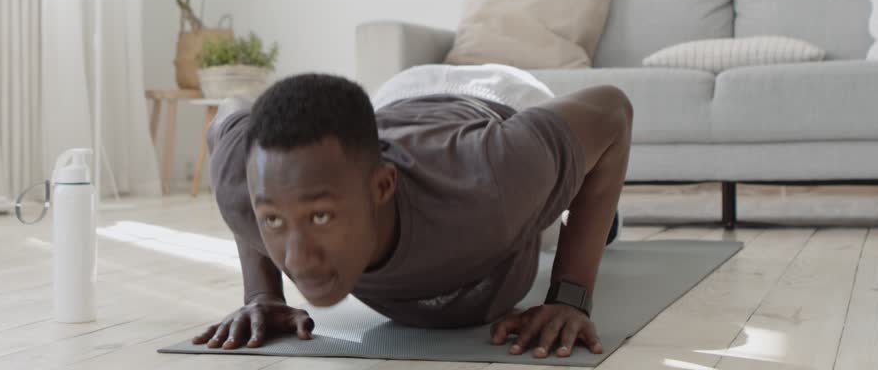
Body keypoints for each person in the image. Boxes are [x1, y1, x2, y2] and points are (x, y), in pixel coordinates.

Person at [192, 63, 632, 360]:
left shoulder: (495, 179)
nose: (297, 259)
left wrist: (571, 295)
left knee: (579, 219)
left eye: (321, 216)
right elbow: (231, 111)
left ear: (382, 187)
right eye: (274, 220)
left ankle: (599, 211)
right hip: (396, 102)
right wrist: (262, 295)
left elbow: (613, 110)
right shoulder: (246, 185)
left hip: (495, 98)